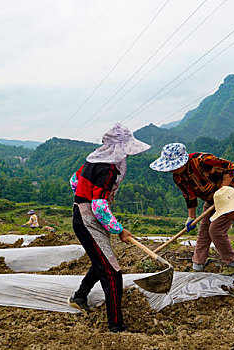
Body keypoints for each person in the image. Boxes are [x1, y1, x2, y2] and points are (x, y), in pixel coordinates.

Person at [67, 123, 150, 333]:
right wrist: (119, 229)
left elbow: (74, 181)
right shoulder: (108, 168)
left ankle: (80, 296)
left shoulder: (94, 159)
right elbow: (99, 206)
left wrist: (82, 198)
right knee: (113, 273)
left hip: (82, 215)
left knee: (101, 260)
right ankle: (116, 326)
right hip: (88, 221)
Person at [149, 143, 234, 274]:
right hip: (211, 200)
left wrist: (222, 191)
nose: (171, 170)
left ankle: (233, 264)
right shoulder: (178, 176)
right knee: (204, 231)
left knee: (215, 230)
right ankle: (197, 265)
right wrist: (191, 217)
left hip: (229, 196)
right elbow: (189, 195)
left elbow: (230, 167)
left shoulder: (202, 161)